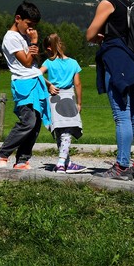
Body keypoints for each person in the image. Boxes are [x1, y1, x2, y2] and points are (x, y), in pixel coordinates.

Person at [86, 0, 134, 181]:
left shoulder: (108, 3)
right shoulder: (128, 3)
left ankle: (122, 167)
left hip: (116, 61)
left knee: (121, 116)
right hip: (132, 61)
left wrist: (98, 37)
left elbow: (90, 34)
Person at [0, 1, 48, 170]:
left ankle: (22, 159)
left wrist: (33, 47)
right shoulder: (10, 38)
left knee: (36, 122)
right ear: (18, 19)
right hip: (23, 83)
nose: (31, 29)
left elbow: (33, 62)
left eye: (34, 26)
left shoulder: (23, 37)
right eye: (29, 24)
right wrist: (35, 41)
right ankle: (2, 155)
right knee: (28, 121)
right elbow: (25, 62)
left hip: (34, 80)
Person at [39, 33, 87, 174]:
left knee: (60, 131)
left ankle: (67, 162)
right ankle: (61, 163)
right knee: (67, 132)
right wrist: (79, 103)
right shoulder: (73, 63)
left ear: (49, 48)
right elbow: (77, 84)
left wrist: (49, 85)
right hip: (68, 98)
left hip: (53, 99)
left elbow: (37, 74)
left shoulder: (48, 62)